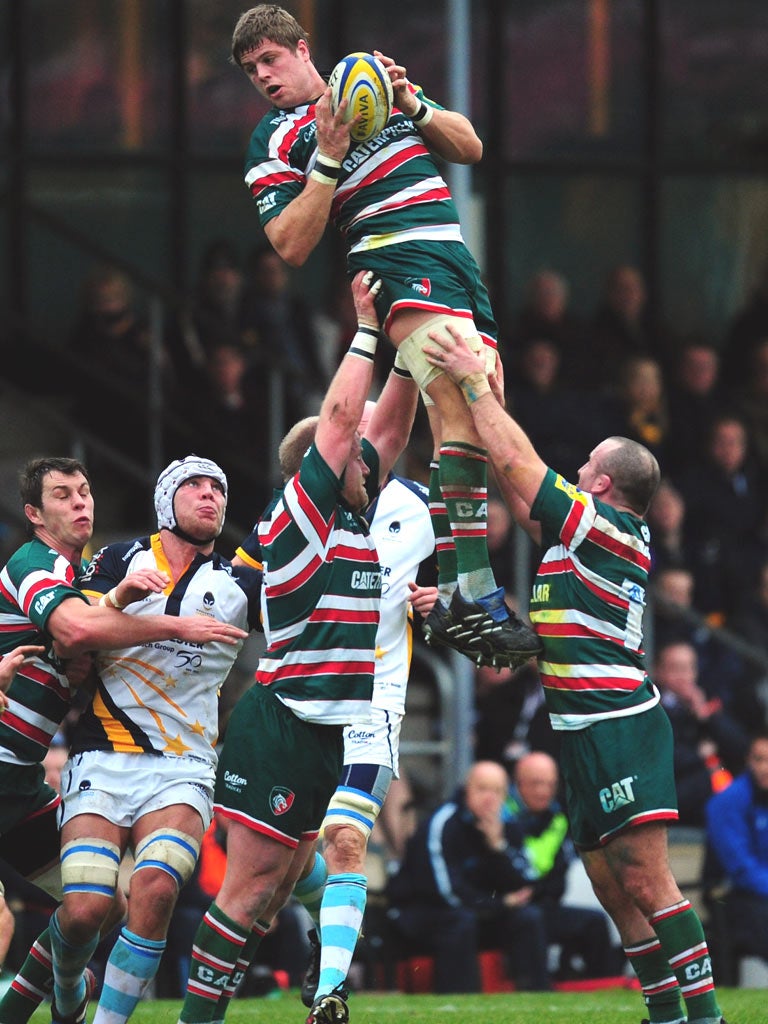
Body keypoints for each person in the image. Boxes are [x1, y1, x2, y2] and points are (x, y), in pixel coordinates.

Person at [423, 324, 728, 1024]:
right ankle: (666, 1013)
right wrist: (488, 403)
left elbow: (524, 466)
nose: (575, 469)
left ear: (602, 483)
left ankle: (705, 1018)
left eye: (586, 464)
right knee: (609, 884)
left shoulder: (607, 529)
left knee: (648, 879)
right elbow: (515, 476)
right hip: (580, 726)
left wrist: (475, 383)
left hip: (618, 722)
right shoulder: (573, 545)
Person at [229, 4, 541, 670]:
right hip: (395, 260)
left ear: (301, 49)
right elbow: (288, 242)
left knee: (483, 418)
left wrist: (412, 103)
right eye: (251, 69)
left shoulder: (369, 82)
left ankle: (454, 581)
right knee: (463, 399)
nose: (263, 77)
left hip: (454, 261)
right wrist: (330, 158)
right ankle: (470, 591)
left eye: (270, 60)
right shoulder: (277, 137)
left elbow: (470, 146)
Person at [174, 269, 419, 1024]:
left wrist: (414, 350)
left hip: (327, 726)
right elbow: (345, 422)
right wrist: (370, 332)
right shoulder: (301, 516)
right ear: (317, 470)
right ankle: (197, 1018)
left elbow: (386, 431)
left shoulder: (353, 513)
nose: (371, 467)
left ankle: (320, 975)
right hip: (281, 719)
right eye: (353, 461)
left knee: (277, 891)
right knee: (246, 893)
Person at [0, 456, 248, 1024]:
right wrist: (176, 625)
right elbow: (75, 630)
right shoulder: (35, 562)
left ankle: (65, 1005)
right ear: (34, 514)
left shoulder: (87, 573)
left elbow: (81, 636)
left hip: (17, 781)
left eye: (85, 491)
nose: (81, 503)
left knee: (96, 908)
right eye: (62, 496)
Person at [283, 398, 437, 1011]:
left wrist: (443, 605)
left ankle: (330, 993)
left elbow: (466, 584)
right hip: (303, 700)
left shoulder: (420, 507)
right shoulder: (296, 515)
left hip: (376, 700)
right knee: (290, 860)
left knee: (345, 838)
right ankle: (328, 917)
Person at [386, 759, 553, 993]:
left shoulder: (507, 826)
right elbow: (445, 891)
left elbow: (526, 884)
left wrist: (498, 848)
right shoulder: (443, 823)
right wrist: (500, 903)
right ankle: (461, 999)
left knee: (528, 917)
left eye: (497, 791)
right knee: (460, 922)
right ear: (467, 789)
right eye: (482, 789)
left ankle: (536, 995)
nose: (490, 797)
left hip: (478, 911)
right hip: (423, 912)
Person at [503, 751, 621, 983]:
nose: (543, 791)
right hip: (507, 909)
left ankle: (604, 987)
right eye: (536, 783)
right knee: (530, 919)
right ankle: (538, 989)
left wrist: (539, 891)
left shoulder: (558, 819)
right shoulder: (502, 816)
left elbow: (558, 878)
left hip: (542, 902)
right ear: (518, 783)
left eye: (549, 785)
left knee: (594, 922)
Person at [655, 641, 749, 827]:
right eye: (675, 668)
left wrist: (706, 716)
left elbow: (741, 748)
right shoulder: (652, 706)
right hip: (672, 792)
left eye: (688, 668)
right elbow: (659, 755)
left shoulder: (706, 703)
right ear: (659, 671)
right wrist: (698, 755)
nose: (683, 676)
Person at [705, 731, 768, 969]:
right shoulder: (727, 802)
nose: (765, 768)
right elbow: (741, 869)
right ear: (748, 762)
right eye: (759, 759)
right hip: (732, 895)